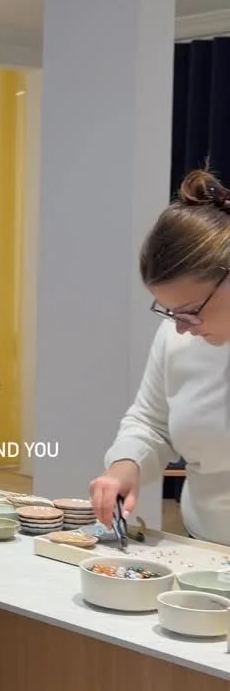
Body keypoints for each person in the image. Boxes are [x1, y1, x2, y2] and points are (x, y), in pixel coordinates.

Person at [90, 167, 230, 544]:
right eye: (170, 313)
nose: (181, 327)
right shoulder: (178, 340)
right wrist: (126, 463)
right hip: (204, 544)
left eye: (191, 310)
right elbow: (152, 422)